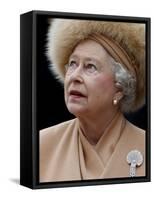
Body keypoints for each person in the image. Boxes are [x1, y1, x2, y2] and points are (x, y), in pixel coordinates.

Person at [39, 19, 146, 182]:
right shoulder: (42, 144)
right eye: (73, 64)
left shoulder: (146, 147)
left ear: (120, 88)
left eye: (90, 67)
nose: (74, 76)